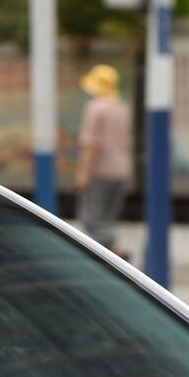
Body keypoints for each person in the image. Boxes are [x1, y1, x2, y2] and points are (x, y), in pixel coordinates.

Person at [76, 64, 133, 258]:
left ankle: (115, 252)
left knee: (92, 219)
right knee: (107, 218)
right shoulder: (122, 108)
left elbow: (92, 145)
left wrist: (83, 173)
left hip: (101, 171)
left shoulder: (95, 108)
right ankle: (113, 256)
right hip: (122, 171)